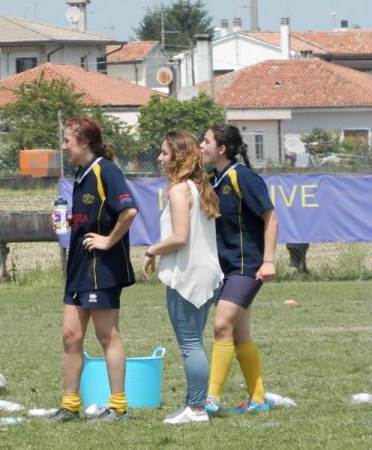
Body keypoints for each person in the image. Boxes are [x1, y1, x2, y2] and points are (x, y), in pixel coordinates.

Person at [50, 117, 138, 423]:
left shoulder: (105, 169)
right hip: (78, 266)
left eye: (67, 141)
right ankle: (69, 406)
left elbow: (128, 211)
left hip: (102, 269)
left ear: (84, 142)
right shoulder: (80, 173)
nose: (63, 146)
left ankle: (118, 407)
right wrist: (70, 223)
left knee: (107, 335)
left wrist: (108, 240)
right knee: (70, 336)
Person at [142, 131, 223, 424]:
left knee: (190, 344)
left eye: (164, 153)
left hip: (189, 276)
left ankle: (197, 408)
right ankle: (194, 403)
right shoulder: (199, 187)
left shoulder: (179, 190)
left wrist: (151, 250)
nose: (160, 158)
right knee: (195, 342)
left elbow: (179, 238)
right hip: (207, 273)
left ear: (177, 156)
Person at [199, 124, 278, 414]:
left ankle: (210, 398)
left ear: (222, 149)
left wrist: (268, 260)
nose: (200, 146)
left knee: (221, 326)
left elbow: (270, 218)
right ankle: (258, 400)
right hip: (226, 268)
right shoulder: (212, 178)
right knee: (240, 334)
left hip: (247, 267)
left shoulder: (242, 177)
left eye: (205, 142)